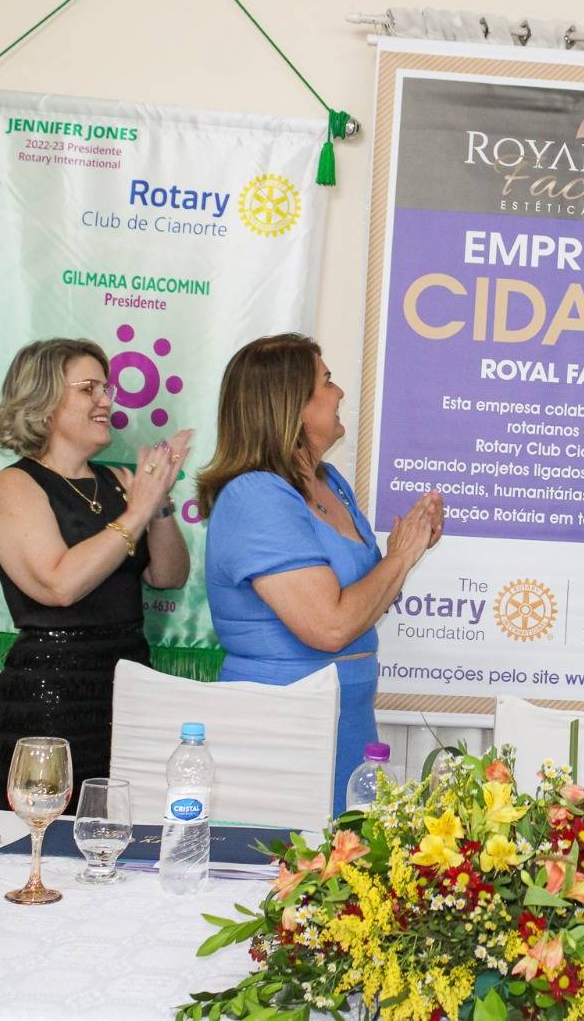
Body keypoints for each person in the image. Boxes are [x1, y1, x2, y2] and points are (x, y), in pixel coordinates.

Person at [198, 334, 443, 814]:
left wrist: (407, 550)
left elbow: (361, 605)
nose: (340, 393)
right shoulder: (255, 495)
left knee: (351, 854)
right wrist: (400, 556)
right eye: (326, 382)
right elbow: (329, 626)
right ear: (290, 404)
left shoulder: (330, 482)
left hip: (349, 717)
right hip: (282, 727)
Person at [0, 338, 191, 812]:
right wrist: (137, 512)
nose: (106, 401)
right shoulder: (14, 485)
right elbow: (60, 586)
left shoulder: (117, 480)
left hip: (130, 684)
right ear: (43, 403)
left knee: (124, 829)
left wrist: (158, 504)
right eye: (88, 389)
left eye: (106, 388)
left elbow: (169, 575)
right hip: (54, 695)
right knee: (48, 830)